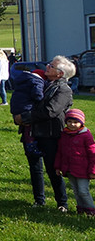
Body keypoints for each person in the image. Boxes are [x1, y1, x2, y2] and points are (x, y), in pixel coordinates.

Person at [15, 55, 76, 212]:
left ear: (60, 74)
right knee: (35, 168)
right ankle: (39, 199)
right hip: (33, 133)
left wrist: (24, 117)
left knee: (52, 169)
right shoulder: (42, 82)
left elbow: (51, 111)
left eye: (51, 66)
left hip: (50, 134)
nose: (47, 67)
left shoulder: (63, 90)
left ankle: (62, 203)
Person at [10, 63, 46, 206]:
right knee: (36, 164)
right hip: (29, 117)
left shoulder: (21, 81)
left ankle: (41, 198)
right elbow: (38, 98)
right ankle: (41, 198)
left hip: (20, 110)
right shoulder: (37, 83)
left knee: (36, 165)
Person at [55, 109, 95, 216]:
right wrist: (58, 167)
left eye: (75, 122)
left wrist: (92, 170)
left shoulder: (86, 135)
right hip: (69, 169)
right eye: (69, 122)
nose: (72, 124)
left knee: (83, 191)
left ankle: (91, 209)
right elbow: (60, 152)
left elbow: (93, 154)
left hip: (83, 170)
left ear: (81, 123)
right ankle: (81, 208)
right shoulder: (64, 134)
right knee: (76, 191)